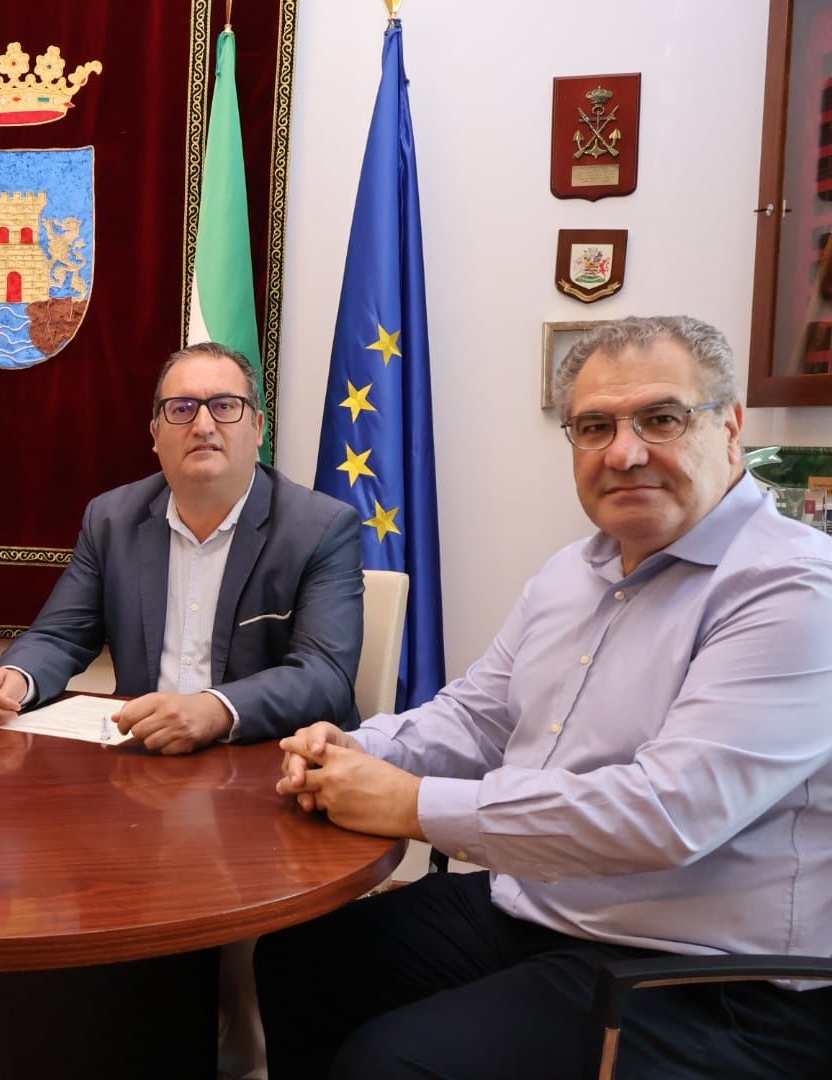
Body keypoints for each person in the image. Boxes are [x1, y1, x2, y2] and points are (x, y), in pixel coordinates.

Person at [256, 316, 832, 1078]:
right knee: (301, 958)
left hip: (713, 976)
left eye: (660, 419)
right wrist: (358, 749)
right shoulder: (571, 571)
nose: (624, 453)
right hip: (546, 908)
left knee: (389, 1062)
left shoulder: (794, 588)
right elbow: (478, 714)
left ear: (730, 426)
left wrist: (412, 803)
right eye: (594, 426)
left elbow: (666, 814)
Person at [0, 341, 363, 754]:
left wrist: (215, 710)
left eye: (225, 406)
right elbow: (59, 637)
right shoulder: (111, 519)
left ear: (257, 428)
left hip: (270, 765)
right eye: (182, 408)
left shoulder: (320, 528)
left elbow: (325, 675)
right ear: (155, 434)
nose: (204, 425)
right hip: (146, 766)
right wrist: (14, 679)